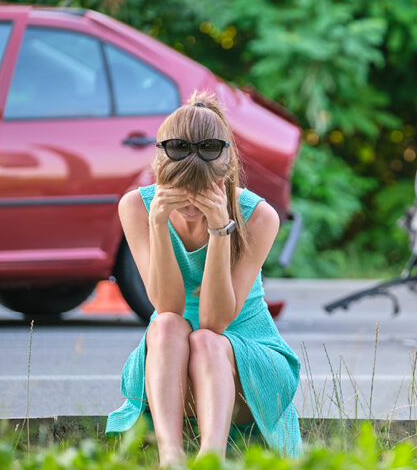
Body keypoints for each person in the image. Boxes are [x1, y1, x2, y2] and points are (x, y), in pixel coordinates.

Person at [105, 91, 302, 464]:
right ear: (160, 174)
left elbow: (214, 321)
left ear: (225, 175)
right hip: (169, 364)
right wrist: (159, 223)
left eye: (202, 190)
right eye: (180, 189)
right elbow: (168, 307)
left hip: (244, 363)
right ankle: (172, 457)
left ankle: (209, 459)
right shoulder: (136, 206)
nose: (190, 203)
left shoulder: (258, 216)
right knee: (164, 326)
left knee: (208, 342)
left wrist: (219, 230)